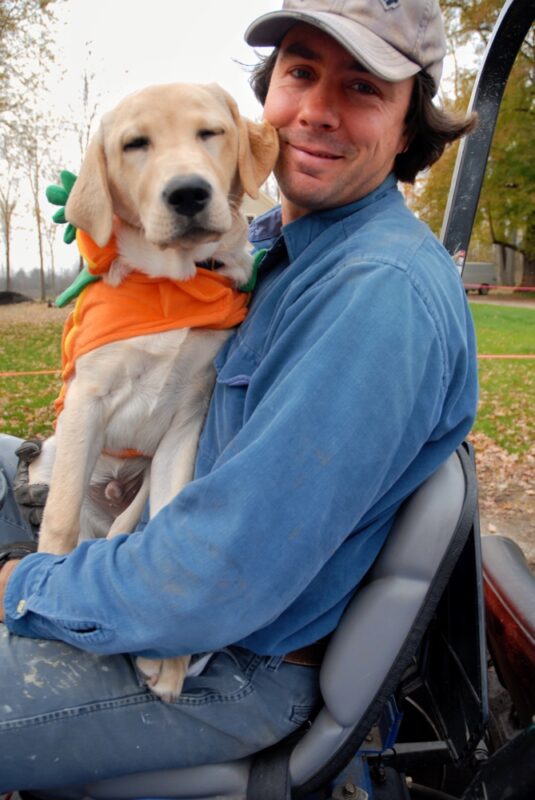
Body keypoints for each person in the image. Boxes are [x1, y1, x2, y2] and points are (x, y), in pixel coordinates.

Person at [0, 0, 478, 792]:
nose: (316, 111)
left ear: (407, 130)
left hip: (227, 661)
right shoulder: (280, 248)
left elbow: (218, 574)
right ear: (267, 95)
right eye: (299, 72)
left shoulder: (373, 296)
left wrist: (27, 584)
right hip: (149, 547)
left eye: (361, 88)